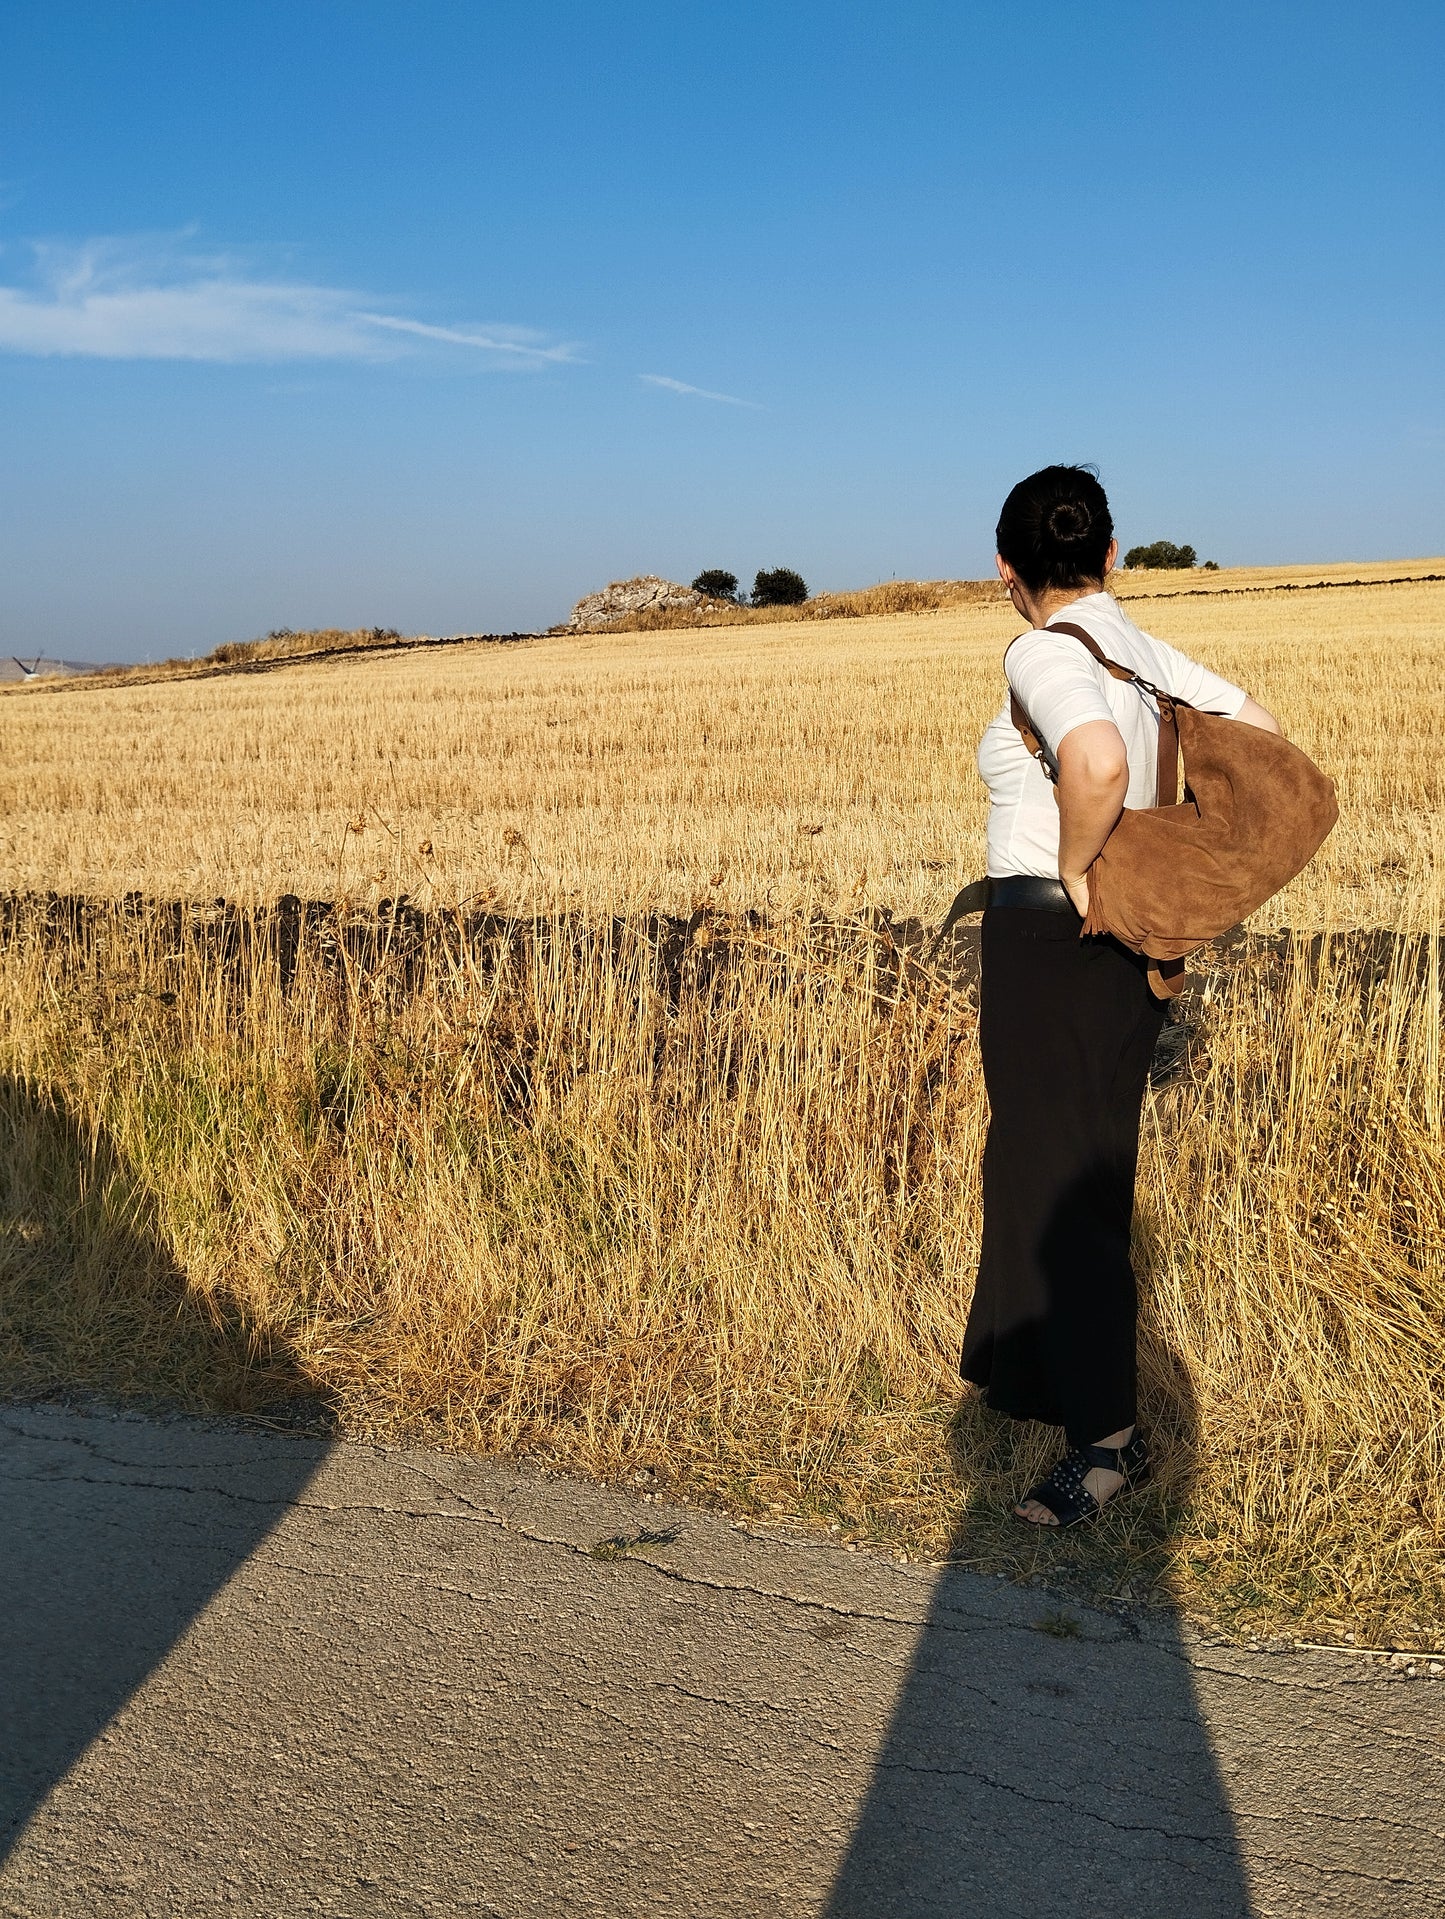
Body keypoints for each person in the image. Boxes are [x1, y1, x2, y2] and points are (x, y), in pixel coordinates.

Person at [960, 465, 1281, 1527]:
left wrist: (1080, 864)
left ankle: (1103, 1444)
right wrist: (1175, 859)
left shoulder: (1042, 647)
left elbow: (1091, 760)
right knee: (1068, 1168)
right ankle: (1043, 1383)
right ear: (1107, 555)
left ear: (1004, 568)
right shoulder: (1139, 651)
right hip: (1122, 954)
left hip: (1050, 939)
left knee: (1062, 1188)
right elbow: (1263, 734)